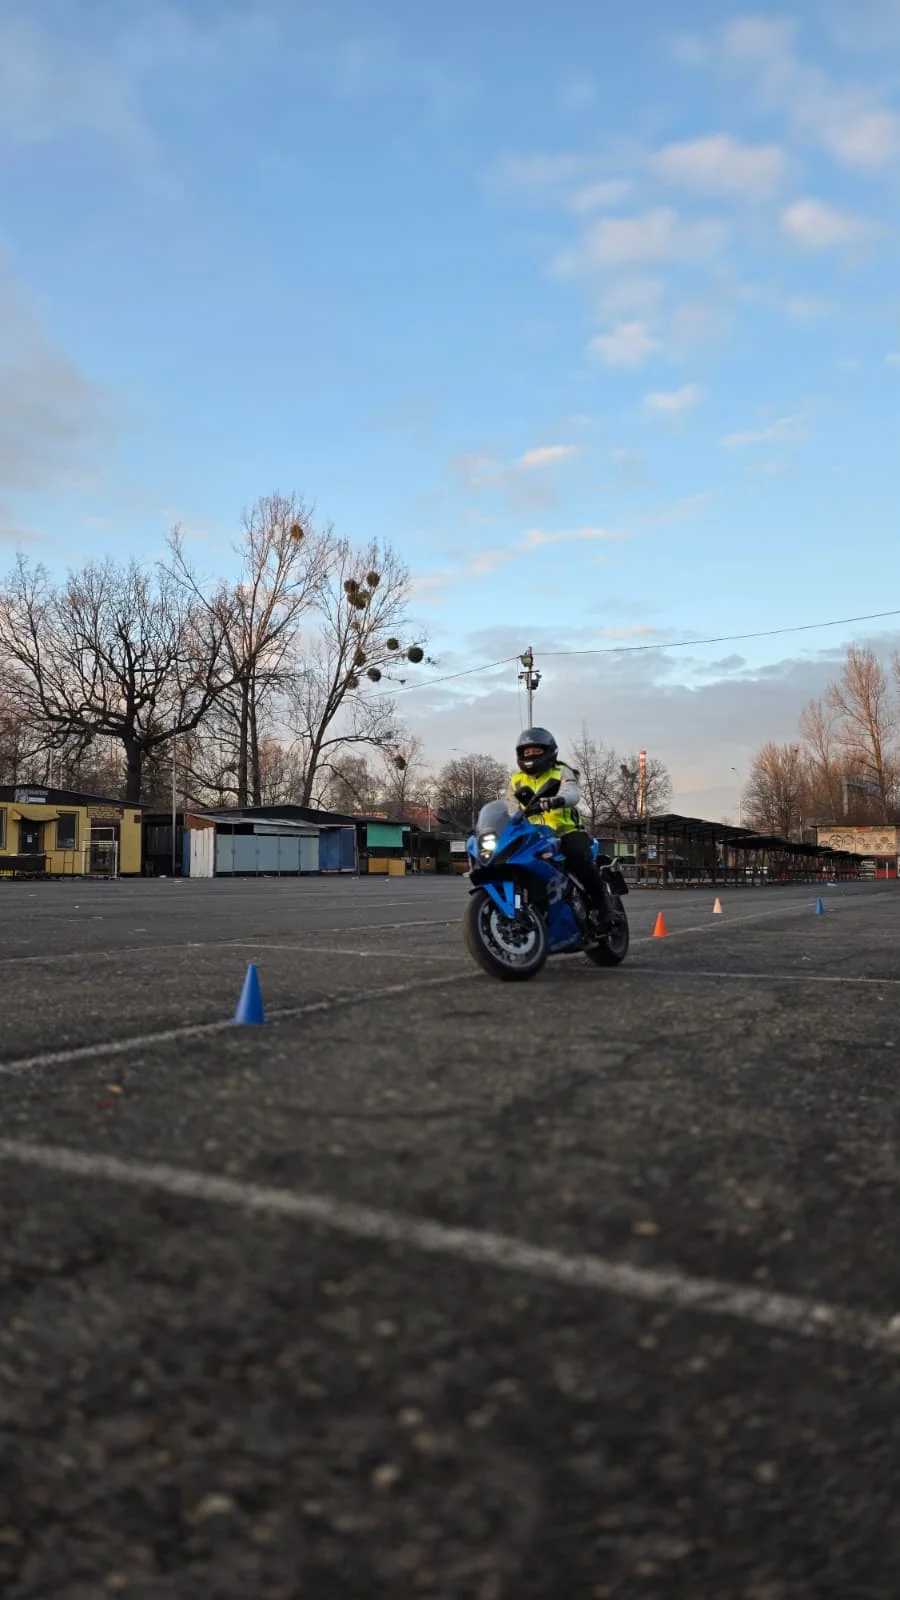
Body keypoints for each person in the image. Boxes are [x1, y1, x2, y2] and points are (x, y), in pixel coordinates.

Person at [509, 727, 612, 932]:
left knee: (577, 857)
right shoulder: (516, 780)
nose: (531, 755)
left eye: (536, 751)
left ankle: (603, 907)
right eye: (527, 752)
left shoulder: (561, 771)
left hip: (565, 832)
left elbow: (573, 793)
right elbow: (509, 808)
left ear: (549, 751)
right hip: (534, 834)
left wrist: (557, 800)